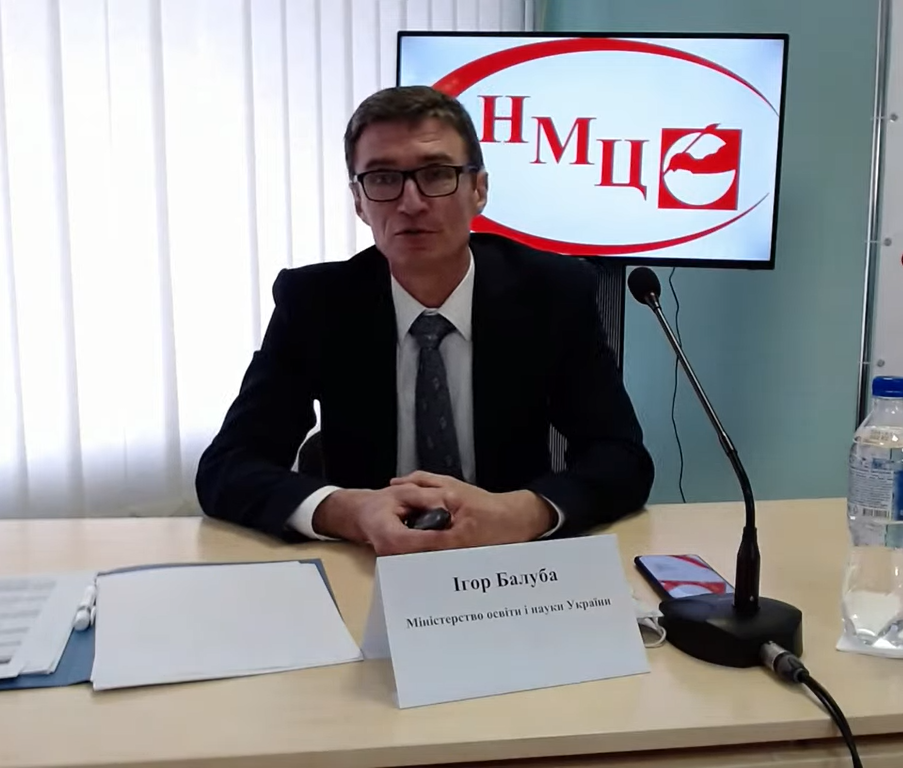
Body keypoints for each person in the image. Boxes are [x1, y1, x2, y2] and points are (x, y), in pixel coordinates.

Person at [195, 85, 654, 555]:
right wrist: (349, 512)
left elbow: (621, 457)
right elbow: (228, 465)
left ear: (479, 190)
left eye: (437, 174)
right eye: (382, 178)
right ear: (359, 201)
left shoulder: (552, 292)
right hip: (368, 559)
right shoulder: (315, 302)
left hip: (510, 559)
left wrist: (523, 512)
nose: (411, 202)